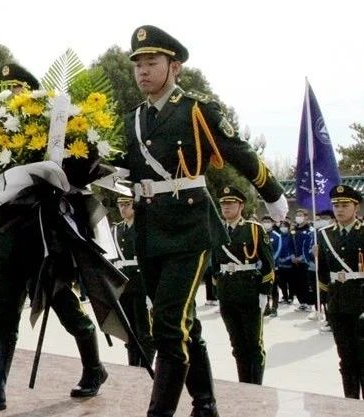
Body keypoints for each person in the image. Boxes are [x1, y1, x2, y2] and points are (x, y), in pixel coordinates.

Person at [117, 25, 287, 417]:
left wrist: (273, 193)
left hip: (189, 227)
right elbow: (130, 168)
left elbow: (236, 150)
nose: (142, 71)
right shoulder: (135, 118)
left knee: (168, 325)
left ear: (174, 66)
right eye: (138, 64)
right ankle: (206, 403)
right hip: (149, 229)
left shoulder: (196, 108)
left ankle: (158, 412)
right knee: (184, 324)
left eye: (151, 62)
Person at [0, 63, 112, 411]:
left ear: (31, 91)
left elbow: (77, 169)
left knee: (62, 303)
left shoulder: (53, 122)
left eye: (18, 89)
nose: (13, 96)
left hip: (47, 231)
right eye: (9, 89)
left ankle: (94, 367)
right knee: (5, 309)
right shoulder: (0, 131)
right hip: (14, 230)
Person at [211, 186, 274, 384]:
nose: (226, 207)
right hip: (227, 293)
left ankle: (255, 385)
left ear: (241, 205)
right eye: (223, 204)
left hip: (249, 292)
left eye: (230, 203)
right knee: (237, 345)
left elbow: (268, 265)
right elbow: (214, 265)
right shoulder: (216, 230)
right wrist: (218, 289)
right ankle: (243, 384)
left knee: (254, 345)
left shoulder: (254, 230)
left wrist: (264, 293)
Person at [315, 184, 364, 399]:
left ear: (356, 207)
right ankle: (350, 404)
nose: (340, 210)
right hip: (337, 304)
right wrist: (326, 302)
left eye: (345, 205)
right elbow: (324, 274)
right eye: (336, 205)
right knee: (345, 359)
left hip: (361, 302)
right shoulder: (324, 235)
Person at [114, 194, 155, 368]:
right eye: (120, 205)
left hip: (142, 284)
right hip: (124, 285)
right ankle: (133, 367)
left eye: (127, 204)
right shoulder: (116, 229)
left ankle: (145, 369)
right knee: (129, 332)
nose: (123, 208)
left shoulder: (144, 228)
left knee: (145, 332)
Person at [293, 208, 316, 312]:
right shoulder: (294, 230)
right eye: (297, 215)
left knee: (306, 283)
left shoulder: (310, 231)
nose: (299, 217)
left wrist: (301, 257)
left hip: (305, 261)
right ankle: (301, 302)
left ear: (306, 217)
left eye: (301, 215)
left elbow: (308, 247)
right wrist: (292, 256)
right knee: (297, 283)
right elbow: (290, 244)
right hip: (294, 261)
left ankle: (309, 303)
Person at [263, 215, 283, 317]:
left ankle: (274, 308)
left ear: (272, 223)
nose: (266, 223)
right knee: (264, 288)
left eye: (268, 221)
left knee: (274, 288)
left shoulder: (276, 235)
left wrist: (270, 261)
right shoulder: (260, 235)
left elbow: (278, 250)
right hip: (262, 267)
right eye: (264, 221)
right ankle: (266, 307)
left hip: (274, 266)